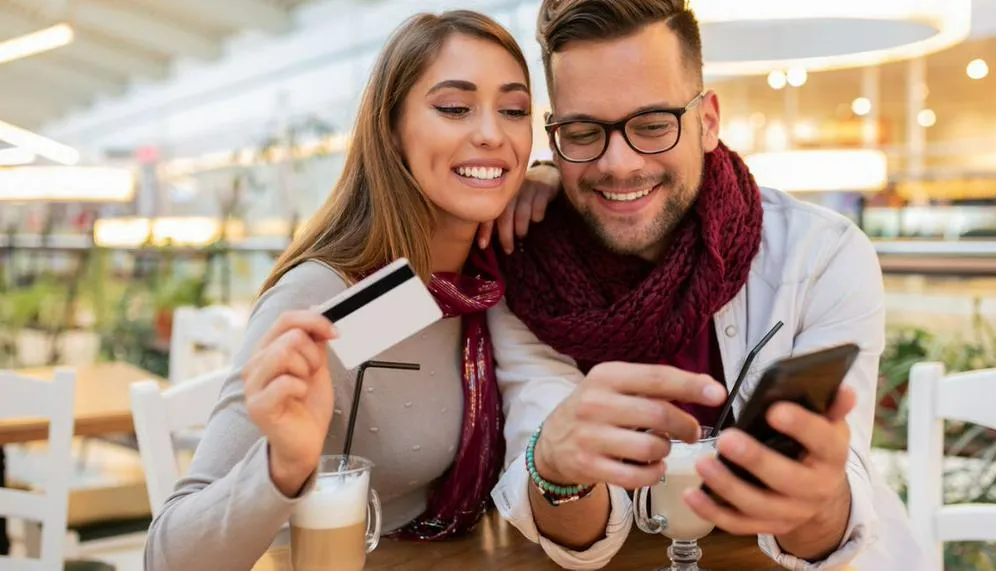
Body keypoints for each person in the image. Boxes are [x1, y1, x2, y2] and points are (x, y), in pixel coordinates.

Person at [484, 1, 923, 569]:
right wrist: (554, 469)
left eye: (651, 125)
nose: (619, 164)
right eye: (584, 131)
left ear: (708, 120)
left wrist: (816, 502)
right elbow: (578, 543)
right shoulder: (528, 272)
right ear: (554, 139)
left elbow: (827, 536)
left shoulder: (822, 255)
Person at [144, 11, 535, 570]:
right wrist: (283, 465)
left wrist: (544, 182)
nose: (493, 133)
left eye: (515, 111)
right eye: (454, 107)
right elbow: (168, 557)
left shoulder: (490, 278)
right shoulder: (348, 297)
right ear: (391, 129)